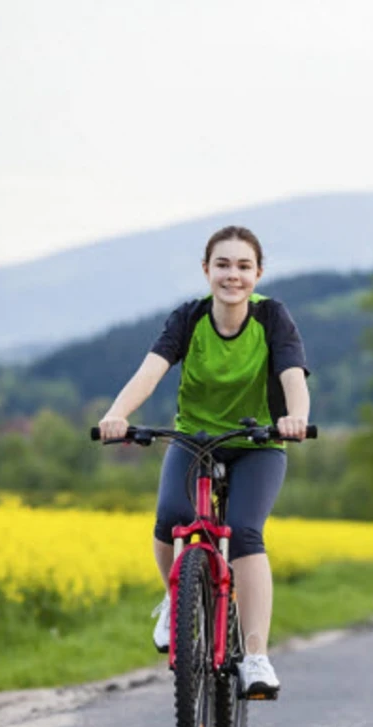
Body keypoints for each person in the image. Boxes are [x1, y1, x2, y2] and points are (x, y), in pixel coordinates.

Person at [97, 225, 310, 699]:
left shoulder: (272, 317)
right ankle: (176, 600)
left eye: (243, 266)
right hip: (195, 439)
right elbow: (150, 372)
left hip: (258, 442)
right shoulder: (189, 318)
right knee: (171, 517)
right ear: (206, 270)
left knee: (245, 531)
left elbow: (292, 374)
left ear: (258, 273)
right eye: (223, 265)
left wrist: (295, 417)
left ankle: (255, 657)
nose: (233, 275)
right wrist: (117, 415)